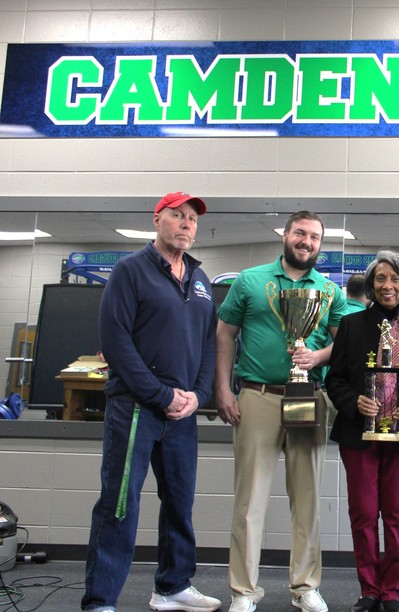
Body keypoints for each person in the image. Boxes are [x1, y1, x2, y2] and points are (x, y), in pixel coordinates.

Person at [81, 192, 220, 612]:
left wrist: (198, 395)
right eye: (178, 216)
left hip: (183, 415)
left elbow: (208, 345)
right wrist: (160, 395)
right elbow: (116, 342)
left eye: (192, 219)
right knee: (119, 504)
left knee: (180, 502)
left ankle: (173, 586)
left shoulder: (200, 280)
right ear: (157, 220)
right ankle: (101, 600)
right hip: (137, 409)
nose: (186, 224)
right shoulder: (130, 271)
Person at [215, 211, 347, 612]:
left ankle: (305, 586)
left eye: (315, 237)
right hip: (257, 395)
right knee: (249, 499)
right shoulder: (250, 281)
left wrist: (315, 356)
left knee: (306, 497)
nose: (307, 241)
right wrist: (223, 389)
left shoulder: (330, 291)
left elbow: (341, 346)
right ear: (286, 235)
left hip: (308, 396)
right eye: (300, 233)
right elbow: (224, 335)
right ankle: (243, 590)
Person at [325, 250, 399, 612]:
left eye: (395, 279)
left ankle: (393, 592)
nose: (387, 286)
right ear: (371, 285)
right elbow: (335, 379)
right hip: (359, 434)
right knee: (362, 511)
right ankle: (368, 590)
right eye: (380, 279)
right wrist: (353, 402)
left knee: (398, 514)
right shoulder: (352, 325)